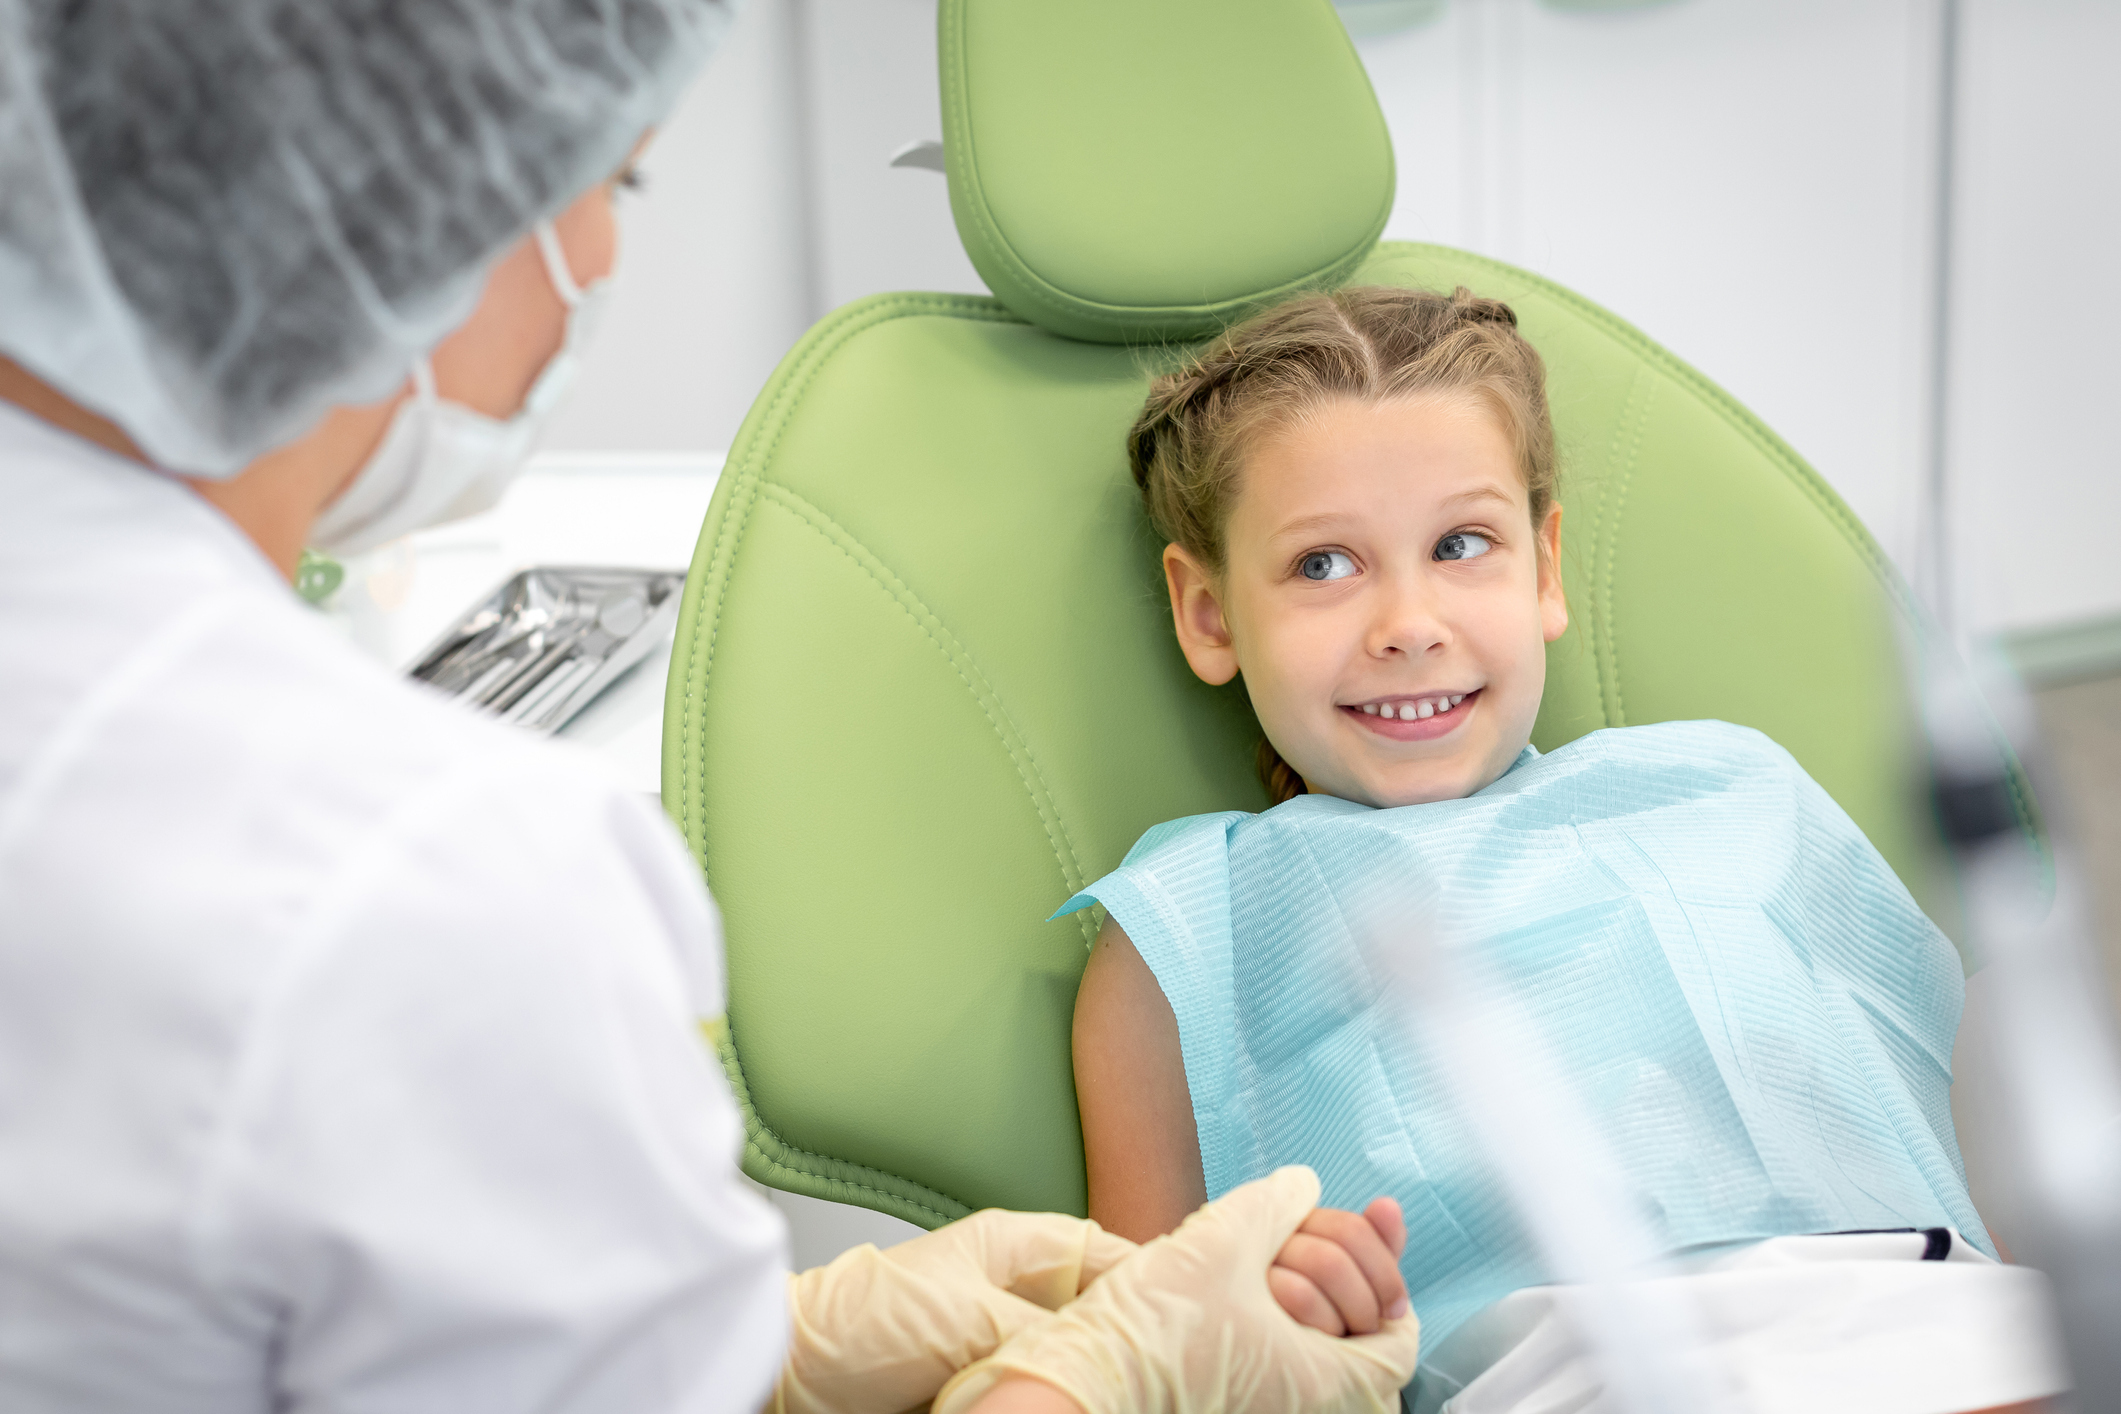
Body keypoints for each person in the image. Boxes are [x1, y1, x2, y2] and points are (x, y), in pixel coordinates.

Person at [0, 2, 1422, 1411]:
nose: (603, 255)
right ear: (413, 205)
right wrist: (1104, 1380)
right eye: (612, 180)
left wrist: (781, 1341)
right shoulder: (428, 884)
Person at [1069, 285, 2068, 1412]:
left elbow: (1932, 1127)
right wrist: (1260, 1314)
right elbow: (1131, 1345)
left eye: (1461, 543)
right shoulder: (1191, 926)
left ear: (1544, 568)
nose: (1409, 622)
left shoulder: (1733, 788)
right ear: (1206, 613)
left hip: (1961, 1324)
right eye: (1322, 566)